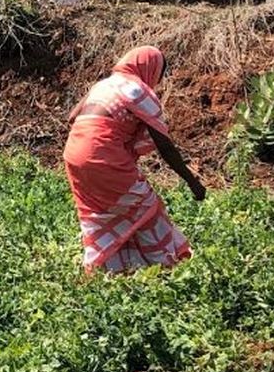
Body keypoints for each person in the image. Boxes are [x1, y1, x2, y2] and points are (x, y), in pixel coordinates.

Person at [63, 46, 204, 273]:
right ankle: (169, 265)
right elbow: (165, 146)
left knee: (100, 214)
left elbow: (72, 117)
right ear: (150, 70)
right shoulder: (138, 90)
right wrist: (192, 182)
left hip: (74, 154)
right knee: (146, 206)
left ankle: (108, 269)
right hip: (102, 155)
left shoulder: (104, 84)